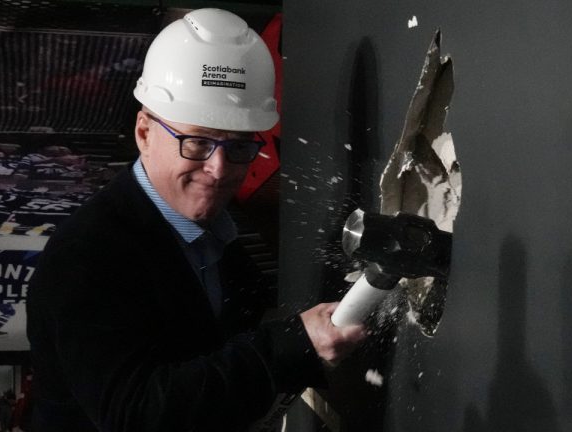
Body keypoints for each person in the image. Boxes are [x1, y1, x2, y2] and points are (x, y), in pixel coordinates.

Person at [26, 8, 366, 432]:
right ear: (145, 133)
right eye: (197, 142)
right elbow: (135, 413)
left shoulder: (216, 236)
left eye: (239, 146)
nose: (219, 169)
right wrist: (288, 346)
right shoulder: (85, 255)